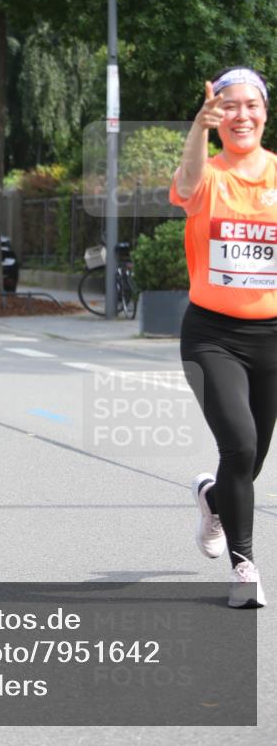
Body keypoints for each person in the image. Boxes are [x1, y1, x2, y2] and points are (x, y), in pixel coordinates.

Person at [170, 67, 277, 608]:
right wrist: (198, 128)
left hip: (272, 337)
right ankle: (244, 568)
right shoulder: (208, 173)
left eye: (250, 105)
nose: (241, 115)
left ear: (264, 112)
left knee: (249, 461)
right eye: (228, 106)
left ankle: (212, 497)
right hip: (212, 334)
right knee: (240, 444)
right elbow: (185, 186)